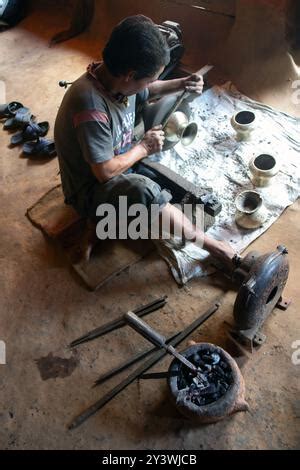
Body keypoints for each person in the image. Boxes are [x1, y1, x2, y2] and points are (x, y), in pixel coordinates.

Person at [54, 15, 236, 266]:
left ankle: (116, 217)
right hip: (89, 188)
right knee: (144, 190)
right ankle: (213, 247)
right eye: (148, 78)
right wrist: (143, 148)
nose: (150, 84)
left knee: (174, 104)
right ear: (129, 75)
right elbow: (105, 172)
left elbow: (148, 90)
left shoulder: (110, 75)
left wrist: (183, 83)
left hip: (122, 151)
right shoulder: (90, 107)